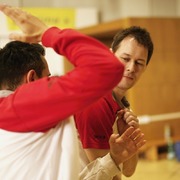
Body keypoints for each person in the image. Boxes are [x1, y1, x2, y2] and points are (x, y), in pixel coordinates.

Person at [0, 4, 147, 180]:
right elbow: (106, 68)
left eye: (139, 62)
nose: (131, 68)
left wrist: (114, 158)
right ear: (32, 80)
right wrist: (46, 33)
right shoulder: (23, 106)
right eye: (48, 77)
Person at [75, 26, 154, 179]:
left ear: (145, 67)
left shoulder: (122, 104)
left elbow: (128, 171)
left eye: (139, 62)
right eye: (125, 59)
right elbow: (104, 175)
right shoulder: (95, 100)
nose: (131, 68)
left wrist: (129, 135)